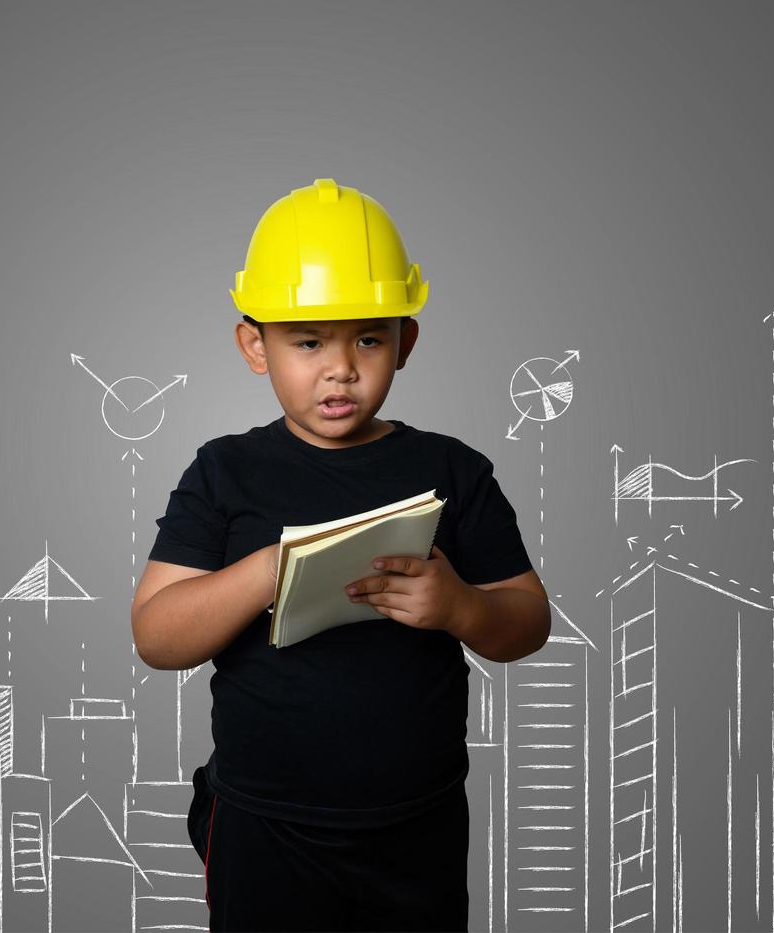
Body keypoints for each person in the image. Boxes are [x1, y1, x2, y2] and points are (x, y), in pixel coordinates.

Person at [131, 177, 551, 932]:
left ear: (405, 342)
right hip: (266, 823)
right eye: (308, 341)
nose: (341, 368)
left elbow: (529, 621)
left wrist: (461, 607)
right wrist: (267, 568)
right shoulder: (225, 472)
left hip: (415, 823)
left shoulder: (454, 470)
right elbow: (157, 636)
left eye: (368, 338)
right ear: (254, 346)